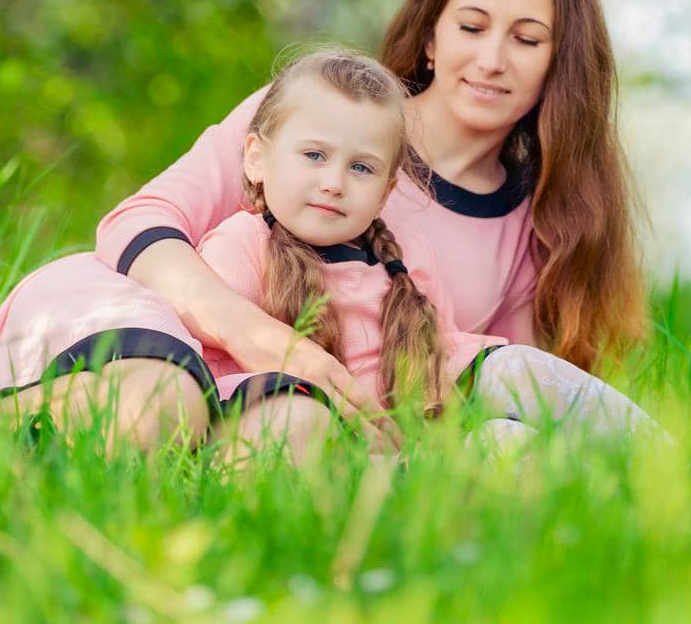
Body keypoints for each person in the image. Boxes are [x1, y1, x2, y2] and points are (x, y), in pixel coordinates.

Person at [0, 0, 649, 453]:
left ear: (561, 64)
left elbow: (479, 378)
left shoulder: (533, 219)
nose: (491, 59)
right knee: (154, 409)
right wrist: (257, 334)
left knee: (288, 442)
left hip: (283, 407)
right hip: (155, 321)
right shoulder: (324, 112)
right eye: (472, 26)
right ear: (431, 35)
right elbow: (138, 222)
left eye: (525, 40)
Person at [194, 47, 658, 468]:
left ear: (386, 191)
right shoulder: (241, 245)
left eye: (361, 167)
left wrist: (491, 372)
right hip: (326, 455)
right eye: (314, 155)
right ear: (256, 157)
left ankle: (662, 466)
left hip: (414, 453)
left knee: (510, 419)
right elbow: (217, 378)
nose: (334, 182)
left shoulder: (403, 255)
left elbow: (440, 348)